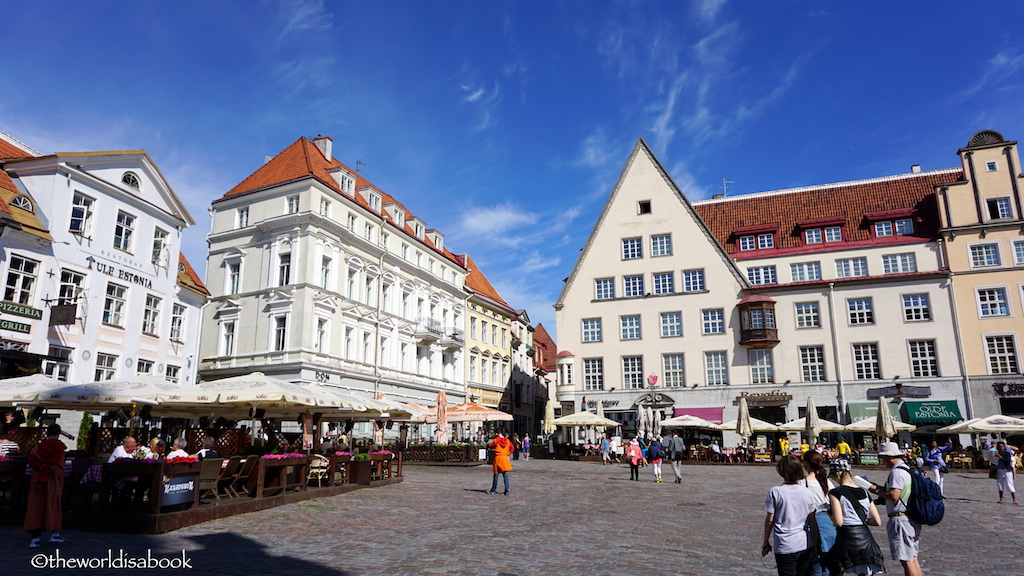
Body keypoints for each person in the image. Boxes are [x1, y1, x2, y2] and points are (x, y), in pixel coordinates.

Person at [869, 442, 922, 576]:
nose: (882, 461)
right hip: (909, 517)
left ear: (888, 457)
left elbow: (894, 495)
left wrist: (876, 490)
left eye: (883, 458)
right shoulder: (906, 469)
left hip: (900, 519)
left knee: (907, 560)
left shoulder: (896, 472)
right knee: (913, 558)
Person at [825, 459, 885, 576]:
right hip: (866, 539)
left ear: (836, 475)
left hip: (846, 538)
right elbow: (877, 521)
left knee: (837, 569)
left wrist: (828, 512)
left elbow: (839, 521)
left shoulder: (835, 493)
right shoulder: (864, 492)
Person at [761, 455, 817, 576]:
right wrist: (816, 544)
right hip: (805, 543)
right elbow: (812, 521)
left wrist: (765, 541)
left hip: (785, 545)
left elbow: (769, 520)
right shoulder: (807, 492)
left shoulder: (775, 492)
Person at [24, 424, 66, 548]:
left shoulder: (38, 448)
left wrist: (42, 467)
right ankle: (54, 534)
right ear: (58, 433)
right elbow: (58, 463)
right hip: (52, 479)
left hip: (38, 479)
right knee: (53, 505)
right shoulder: (60, 447)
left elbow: (31, 460)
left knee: (36, 506)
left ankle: (35, 538)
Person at [800, 450, 836, 576]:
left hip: (812, 523)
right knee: (827, 562)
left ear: (806, 464)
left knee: (815, 561)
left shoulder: (802, 483)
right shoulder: (826, 482)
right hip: (829, 524)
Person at [487, 431, 514, 496]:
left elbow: (491, 446)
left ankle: (493, 489)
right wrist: (507, 454)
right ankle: (507, 490)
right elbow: (512, 448)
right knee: (505, 475)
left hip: (498, 458)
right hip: (504, 458)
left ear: (497, 434)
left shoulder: (496, 440)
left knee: (496, 475)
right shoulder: (507, 441)